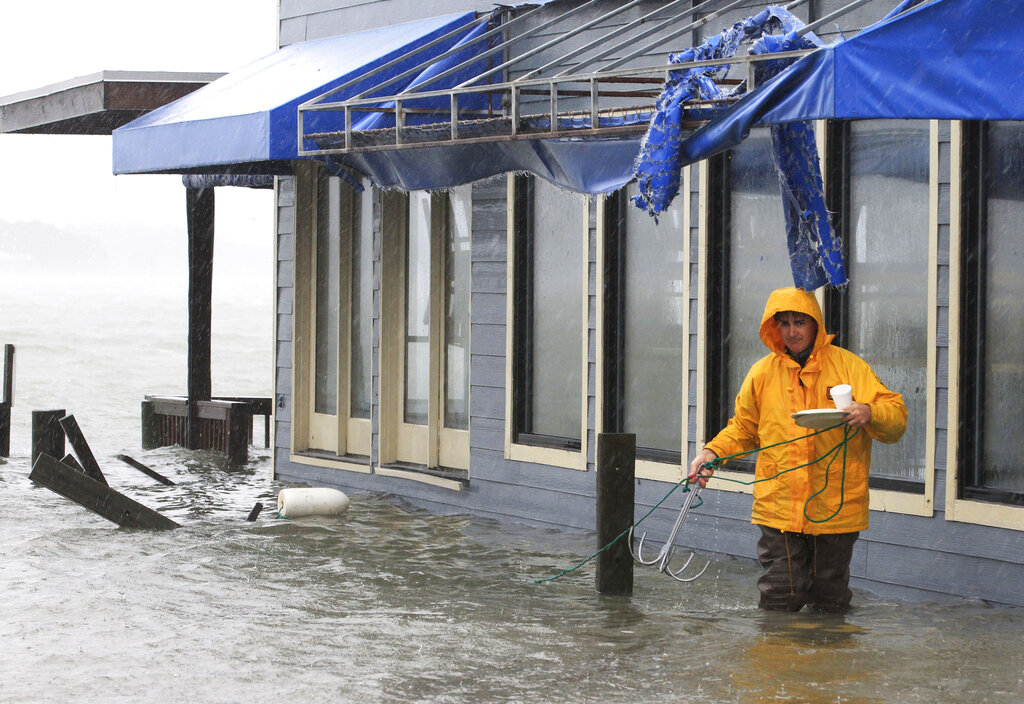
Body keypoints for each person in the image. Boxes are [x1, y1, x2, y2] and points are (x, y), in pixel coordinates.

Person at [688, 287, 907, 612]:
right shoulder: (762, 374)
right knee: (781, 592)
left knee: (829, 598)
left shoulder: (850, 367)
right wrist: (711, 453)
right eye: (785, 323)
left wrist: (869, 412)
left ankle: (827, 661)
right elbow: (744, 428)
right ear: (774, 328)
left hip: (836, 508)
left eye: (799, 322)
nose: (792, 331)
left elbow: (896, 418)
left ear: (815, 324)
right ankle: (777, 661)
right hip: (778, 507)